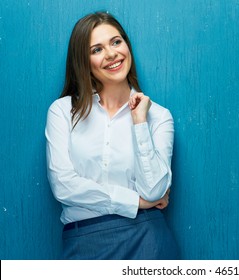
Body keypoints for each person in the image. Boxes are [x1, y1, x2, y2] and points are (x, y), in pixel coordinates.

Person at [45, 11, 179, 260]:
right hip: (83, 244)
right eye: (96, 49)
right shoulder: (62, 111)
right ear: (83, 61)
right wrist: (134, 202)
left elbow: (154, 191)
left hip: (149, 242)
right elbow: (63, 186)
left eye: (116, 42)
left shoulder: (158, 117)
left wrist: (139, 122)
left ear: (126, 45)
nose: (111, 54)